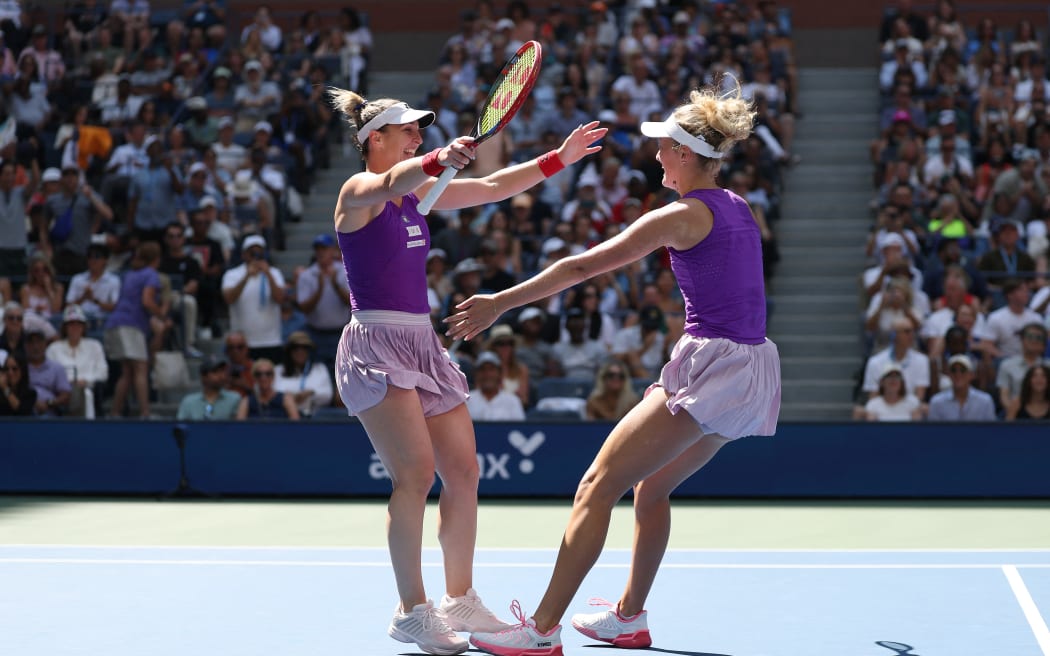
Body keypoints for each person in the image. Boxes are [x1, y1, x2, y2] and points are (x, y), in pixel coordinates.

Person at [447, 84, 781, 654]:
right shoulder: (737, 204)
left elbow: (581, 267)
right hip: (751, 367)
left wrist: (499, 302)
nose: (655, 156)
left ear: (685, 155)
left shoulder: (680, 216)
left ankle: (541, 630)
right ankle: (629, 617)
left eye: (663, 148)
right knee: (651, 492)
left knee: (596, 487)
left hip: (715, 366)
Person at [326, 84, 604, 655]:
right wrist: (435, 158)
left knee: (465, 472)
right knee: (415, 477)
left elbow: (498, 186)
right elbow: (384, 183)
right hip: (376, 346)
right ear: (374, 138)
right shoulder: (358, 191)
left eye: (420, 131)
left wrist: (559, 158)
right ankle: (411, 611)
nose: (417, 136)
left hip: (422, 344)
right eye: (407, 130)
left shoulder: (422, 193)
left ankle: (460, 600)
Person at [104, 241, 167, 418]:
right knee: (141, 368)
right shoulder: (151, 275)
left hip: (116, 323)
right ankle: (145, 413)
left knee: (127, 372)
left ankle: (115, 412)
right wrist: (160, 313)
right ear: (157, 258)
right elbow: (147, 301)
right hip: (131, 325)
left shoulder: (131, 274)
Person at [45, 304, 108, 418]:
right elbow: (49, 374)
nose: (75, 328)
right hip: (61, 393)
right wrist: (66, 384)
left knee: (84, 393)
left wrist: (86, 381)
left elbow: (103, 372)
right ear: (65, 327)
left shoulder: (95, 346)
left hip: (89, 391)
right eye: (71, 324)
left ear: (84, 327)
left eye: (78, 324)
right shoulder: (54, 348)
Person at [273, 330, 333, 417]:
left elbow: (327, 395)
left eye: (304, 347)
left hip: (314, 416)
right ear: (289, 351)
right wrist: (289, 398)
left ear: (309, 351)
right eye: (295, 348)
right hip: (284, 416)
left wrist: (311, 393)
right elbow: (272, 395)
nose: (300, 351)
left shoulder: (320, 369)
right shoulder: (278, 370)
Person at [926, 354, 996, 421]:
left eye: (963, 370)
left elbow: (991, 430)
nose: (958, 374)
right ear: (949, 374)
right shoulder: (937, 402)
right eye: (954, 370)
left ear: (971, 375)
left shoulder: (985, 401)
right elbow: (934, 432)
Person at [177, 353, 242, 420]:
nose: (221, 376)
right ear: (203, 376)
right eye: (215, 372)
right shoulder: (189, 402)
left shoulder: (234, 399)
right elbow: (180, 427)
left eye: (222, 371)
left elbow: (238, 427)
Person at [0, 351, 36, 416]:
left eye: (14, 369)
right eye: (7, 369)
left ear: (22, 370)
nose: (10, 373)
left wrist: (5, 388)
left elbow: (21, 411)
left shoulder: (30, 393)